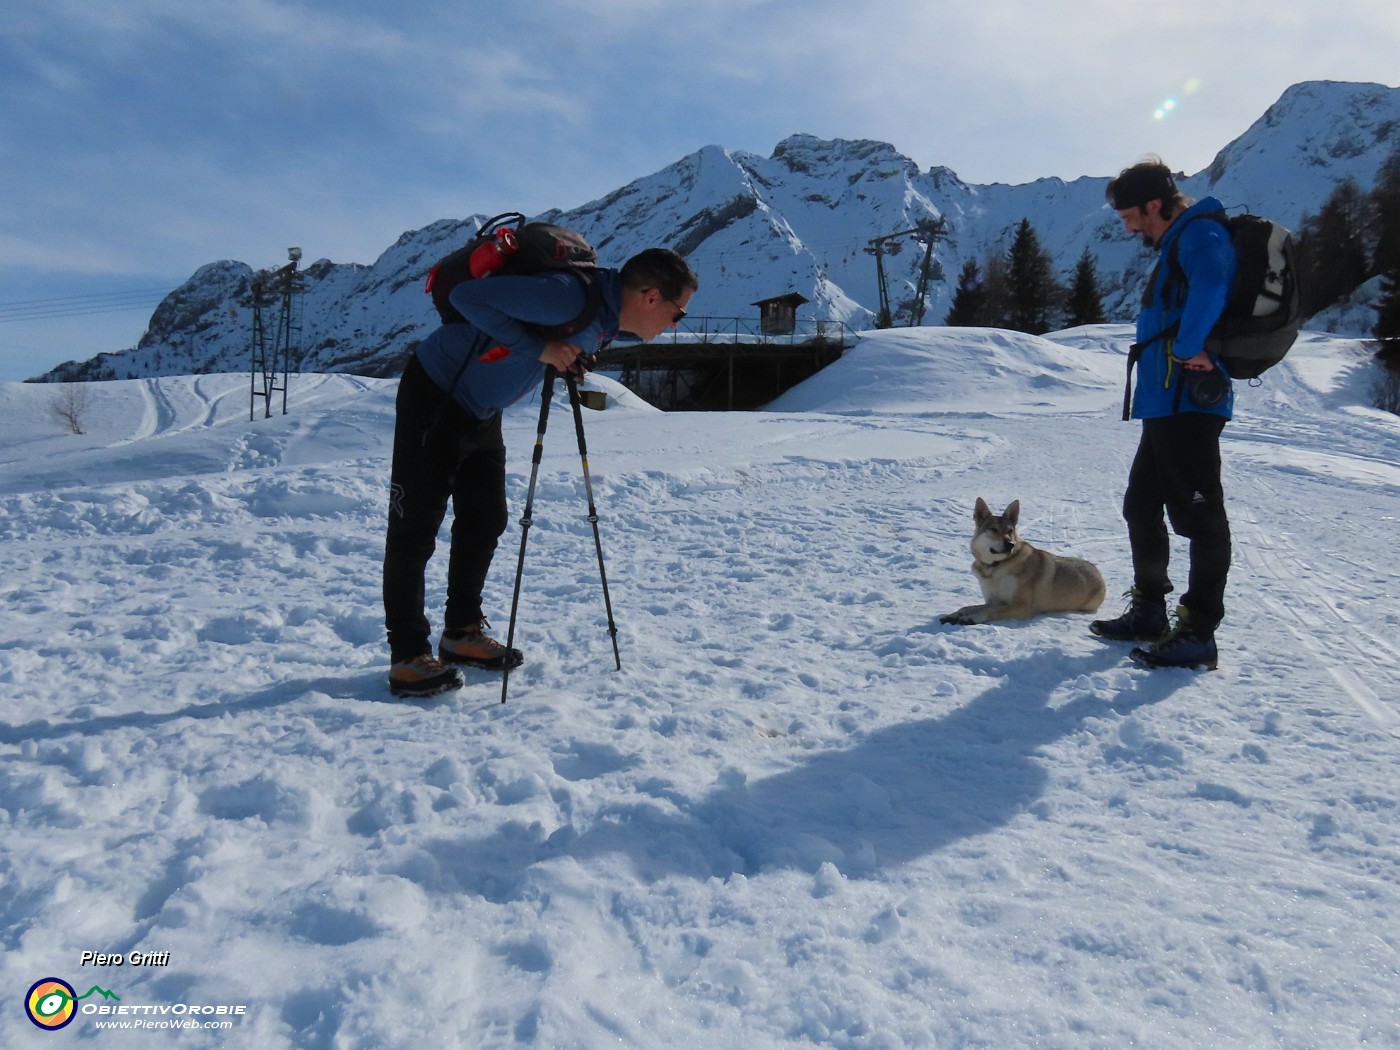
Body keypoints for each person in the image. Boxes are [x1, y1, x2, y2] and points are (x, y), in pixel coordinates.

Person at [383, 246, 698, 697]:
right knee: (414, 526)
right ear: (650, 297)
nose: (674, 325)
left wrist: (566, 356)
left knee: (487, 517)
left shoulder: (607, 316)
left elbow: (559, 339)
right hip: (437, 393)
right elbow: (469, 298)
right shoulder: (568, 297)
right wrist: (542, 348)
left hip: (480, 408)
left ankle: (461, 633)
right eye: (677, 314)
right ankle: (408, 655)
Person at [1089, 158, 1237, 670]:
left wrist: (1192, 344)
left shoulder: (1199, 235)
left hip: (1189, 401)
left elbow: (1214, 284)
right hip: (1165, 401)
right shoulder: (1179, 241)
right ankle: (1150, 610)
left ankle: (1199, 633)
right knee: (1140, 506)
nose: (1129, 227)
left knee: (1200, 517)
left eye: (1131, 215)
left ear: (1155, 204)